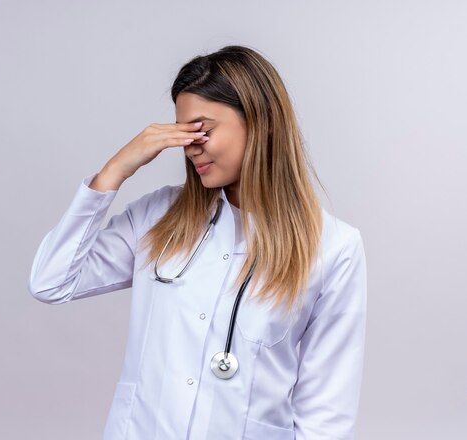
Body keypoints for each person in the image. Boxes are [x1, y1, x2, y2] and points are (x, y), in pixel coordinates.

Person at [27, 45, 367, 440]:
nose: (190, 147)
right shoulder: (158, 217)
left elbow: (327, 412)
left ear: (263, 121)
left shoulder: (333, 248)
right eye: (182, 132)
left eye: (202, 129)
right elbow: (51, 281)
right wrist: (115, 170)